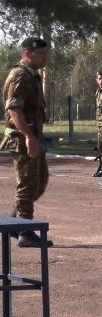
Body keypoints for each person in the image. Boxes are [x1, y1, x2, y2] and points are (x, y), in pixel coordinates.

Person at [0, 37, 53, 248]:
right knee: (27, 184)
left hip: (32, 136)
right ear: (27, 53)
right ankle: (25, 231)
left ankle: (16, 221)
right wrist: (29, 137)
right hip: (23, 139)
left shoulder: (33, 75)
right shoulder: (20, 75)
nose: (44, 58)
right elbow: (13, 109)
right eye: (41, 54)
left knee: (39, 182)